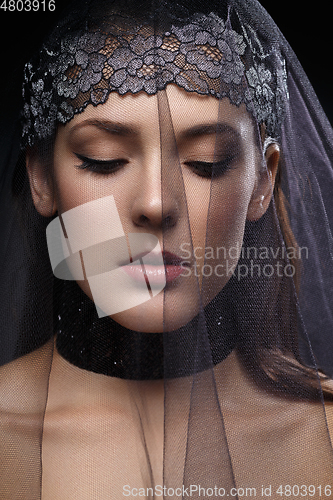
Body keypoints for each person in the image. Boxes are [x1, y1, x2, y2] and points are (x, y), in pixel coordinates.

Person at [1, 0, 333, 498]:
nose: (156, 204)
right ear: (41, 178)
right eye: (103, 160)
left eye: (208, 163)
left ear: (263, 181)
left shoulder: (323, 440)